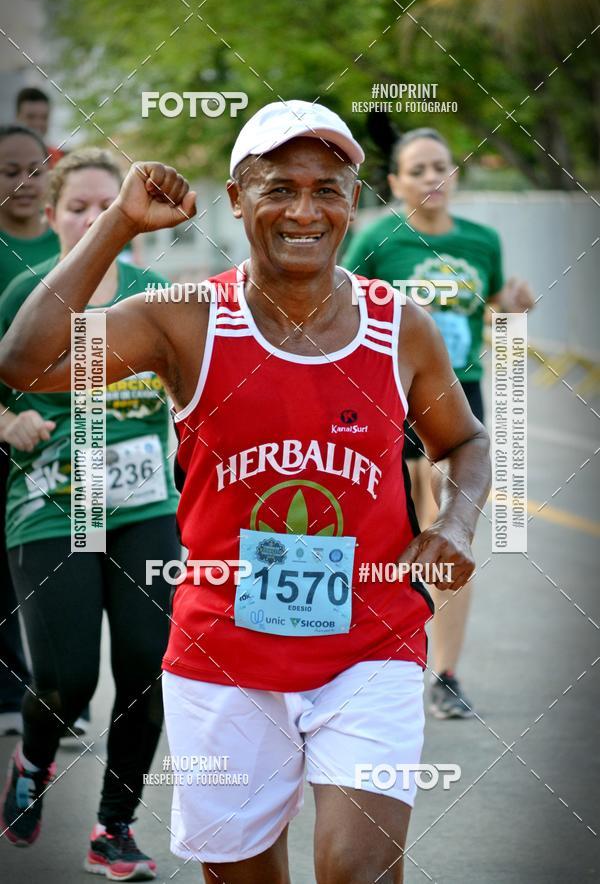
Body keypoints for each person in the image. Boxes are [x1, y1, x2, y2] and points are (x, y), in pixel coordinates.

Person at [0, 101, 491, 884]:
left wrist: (458, 523)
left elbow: (464, 442)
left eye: (327, 189)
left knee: (359, 872)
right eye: (278, 188)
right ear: (236, 197)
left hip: (371, 645)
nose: (305, 210)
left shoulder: (401, 326)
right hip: (222, 654)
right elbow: (25, 363)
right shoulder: (186, 321)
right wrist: (117, 228)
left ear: (353, 201)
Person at [0, 147, 179, 879]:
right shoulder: (24, 291)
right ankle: (33, 758)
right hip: (53, 507)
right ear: (52, 215)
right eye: (79, 207)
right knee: (66, 679)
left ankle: (115, 826)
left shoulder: (155, 294)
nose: (94, 218)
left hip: (144, 507)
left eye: (109, 205)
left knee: (148, 664)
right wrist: (5, 423)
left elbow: (198, 381)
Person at [343, 128, 533, 720]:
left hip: (458, 399)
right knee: (392, 536)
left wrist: (514, 305)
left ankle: (445, 674)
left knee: (449, 532)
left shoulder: (482, 241)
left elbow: (495, 302)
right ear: (396, 183)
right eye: (418, 169)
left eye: (441, 167)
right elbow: (336, 297)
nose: (432, 178)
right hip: (387, 401)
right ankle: (373, 663)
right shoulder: (379, 239)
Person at [0, 125, 59, 736]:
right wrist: (7, 419)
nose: (22, 182)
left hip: (64, 445)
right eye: (7, 170)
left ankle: (59, 688)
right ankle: (7, 690)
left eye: (34, 169)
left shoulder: (72, 247)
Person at [15, 88, 65, 167]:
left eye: (44, 117)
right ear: (17, 118)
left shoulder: (58, 158)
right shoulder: (4, 155)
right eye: (31, 117)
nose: (38, 123)